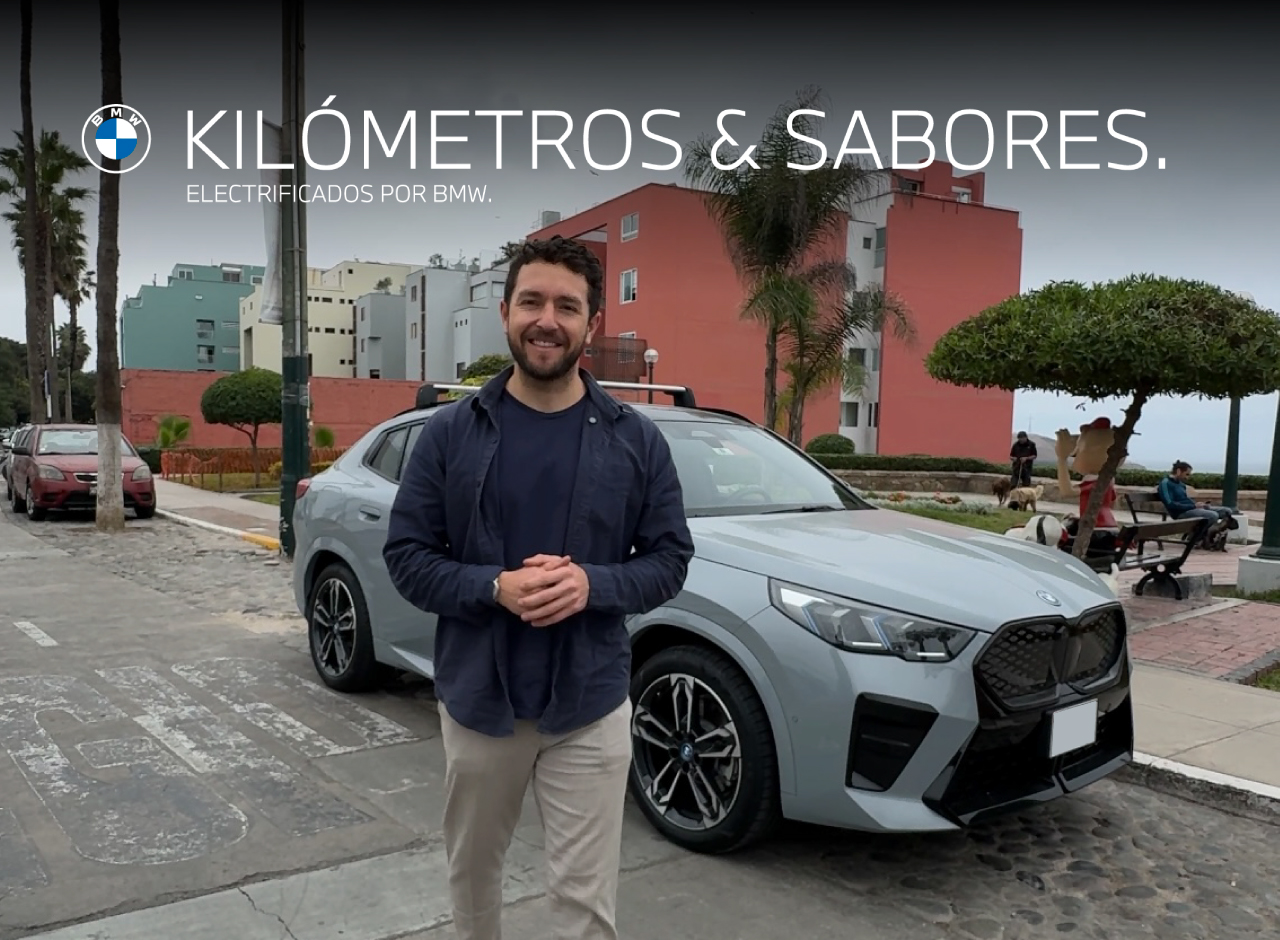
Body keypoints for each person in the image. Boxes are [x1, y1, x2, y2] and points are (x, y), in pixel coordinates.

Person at [383, 236, 695, 940]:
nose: (546, 319)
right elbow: (406, 556)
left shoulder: (636, 441)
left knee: (585, 907)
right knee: (473, 880)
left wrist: (594, 584)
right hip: (480, 705)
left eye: (565, 305)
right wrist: (493, 586)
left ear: (591, 324)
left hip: (588, 705)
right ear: (504, 312)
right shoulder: (450, 434)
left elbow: (670, 559)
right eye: (531, 301)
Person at [1156, 460, 1238, 547]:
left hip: (1191, 509)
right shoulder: (1165, 483)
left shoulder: (1181, 484)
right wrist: (1193, 506)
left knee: (1226, 511)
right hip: (1180, 513)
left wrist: (1200, 505)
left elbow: (1185, 499)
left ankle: (1208, 535)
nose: (1187, 478)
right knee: (1213, 515)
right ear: (1179, 471)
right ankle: (1195, 538)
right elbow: (1170, 504)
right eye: (1186, 474)